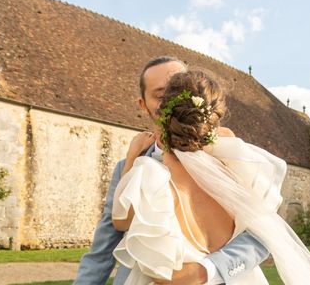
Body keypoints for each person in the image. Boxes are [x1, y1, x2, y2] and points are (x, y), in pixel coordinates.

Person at [111, 69, 310, 285]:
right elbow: (264, 230)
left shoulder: (150, 178)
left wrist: (132, 157)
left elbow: (120, 221)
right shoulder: (234, 172)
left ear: (162, 116)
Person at [74, 57, 270, 285]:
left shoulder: (229, 157)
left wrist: (205, 271)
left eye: (176, 91)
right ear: (143, 105)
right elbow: (103, 247)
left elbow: (262, 234)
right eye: (160, 95)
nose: (172, 102)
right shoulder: (131, 167)